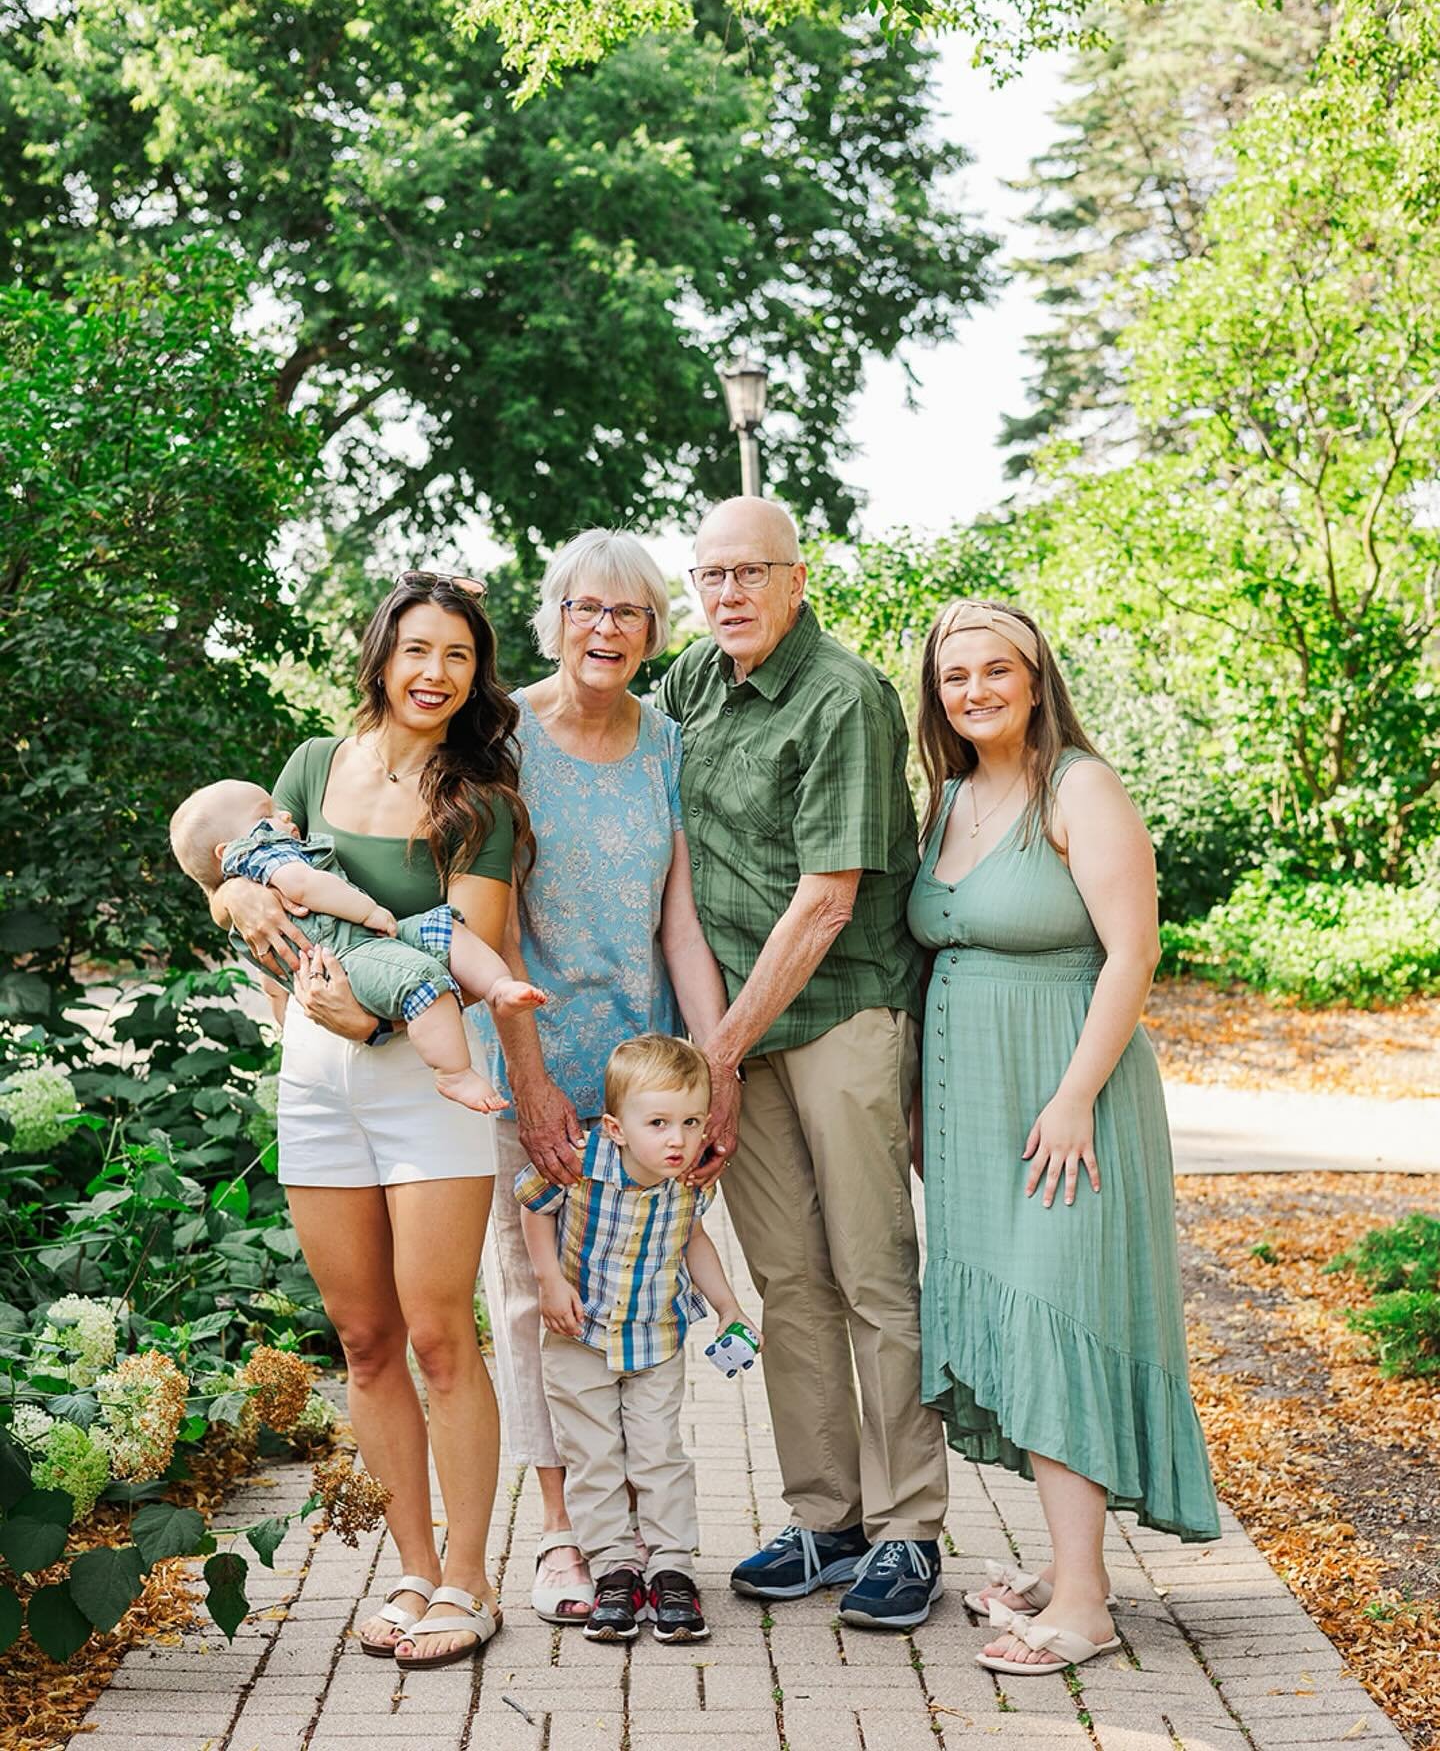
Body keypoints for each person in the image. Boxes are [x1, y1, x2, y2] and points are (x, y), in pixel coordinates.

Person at [209, 571, 531, 1668]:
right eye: (416, 650)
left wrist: (366, 1021)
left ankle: (474, 1579)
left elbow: (457, 950)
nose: (435, 674)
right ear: (381, 656)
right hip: (313, 1083)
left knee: (441, 1337)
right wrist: (234, 898)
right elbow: (244, 872)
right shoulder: (310, 764)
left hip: (421, 1079)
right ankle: (412, 1567)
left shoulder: (480, 801)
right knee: (363, 1340)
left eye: (457, 655)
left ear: (477, 672)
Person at [908, 597, 1220, 1679]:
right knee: (1022, 1319)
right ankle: (1065, 1561)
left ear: (1038, 681)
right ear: (936, 694)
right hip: (969, 1112)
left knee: (1058, 1314)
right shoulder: (948, 796)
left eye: (999, 670)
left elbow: (1133, 952)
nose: (977, 690)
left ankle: (1086, 1606)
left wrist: (1075, 1094)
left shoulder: (1078, 784)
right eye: (957, 676)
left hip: (1064, 1101)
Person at [656, 496, 950, 1630]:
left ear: (796, 576)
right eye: (709, 575)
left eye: (748, 572)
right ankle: (827, 1518)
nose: (726, 594)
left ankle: (911, 1528)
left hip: (837, 1020)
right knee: (788, 1282)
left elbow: (827, 903)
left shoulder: (846, 698)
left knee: (873, 1272)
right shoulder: (693, 681)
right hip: (737, 1040)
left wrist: (713, 1057)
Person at [472, 527, 739, 1625]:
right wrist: (532, 1084)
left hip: (647, 1080)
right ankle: (560, 1537)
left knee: (635, 1296)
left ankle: (652, 1542)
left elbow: (679, 924)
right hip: (532, 1058)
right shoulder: (505, 740)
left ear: (651, 633)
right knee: (540, 1298)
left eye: (628, 613)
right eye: (587, 608)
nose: (606, 629)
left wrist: (713, 1069)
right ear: (556, 617)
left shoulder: (665, 742)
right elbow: (496, 926)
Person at [516, 1035, 756, 1646]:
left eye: (690, 1122)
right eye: (658, 1124)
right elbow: (532, 1205)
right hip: (580, 1338)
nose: (677, 1140)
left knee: (658, 1455)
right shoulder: (580, 1162)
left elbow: (694, 1240)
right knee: (594, 1459)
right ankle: (616, 1570)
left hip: (655, 1340)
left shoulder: (690, 1180)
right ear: (618, 1128)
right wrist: (548, 1281)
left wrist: (728, 1305)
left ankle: (672, 1567)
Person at [170, 781, 545, 1112]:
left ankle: (497, 987)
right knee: (422, 979)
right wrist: (367, 910)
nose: (282, 812)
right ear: (229, 851)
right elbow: (304, 886)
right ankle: (454, 1073)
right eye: (266, 813)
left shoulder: (268, 851)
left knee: (442, 928)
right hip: (345, 957)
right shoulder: (260, 854)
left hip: (365, 942)